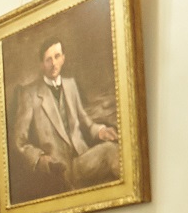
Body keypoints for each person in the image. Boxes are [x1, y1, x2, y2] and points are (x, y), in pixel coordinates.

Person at [12, 39, 121, 194]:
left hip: (82, 161)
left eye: (57, 57)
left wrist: (100, 131)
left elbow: (86, 123)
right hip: (58, 169)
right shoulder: (29, 94)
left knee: (112, 150)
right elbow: (20, 142)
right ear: (41, 64)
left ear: (63, 58)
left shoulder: (71, 85)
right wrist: (40, 159)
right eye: (48, 60)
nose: (54, 63)